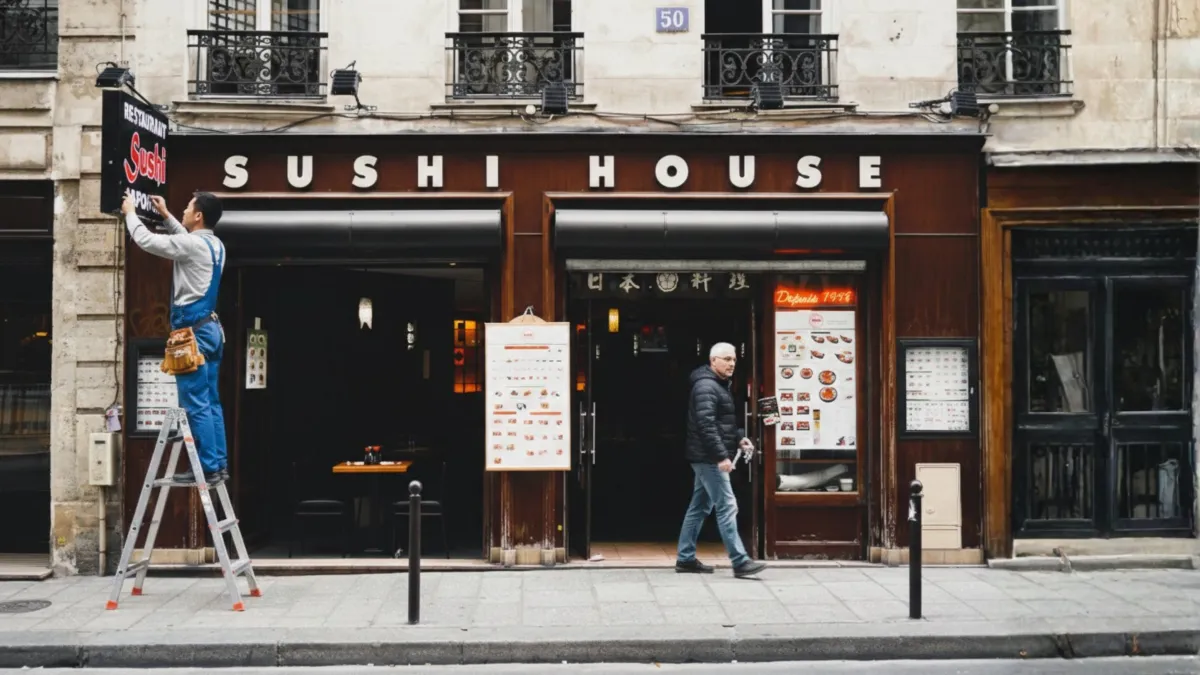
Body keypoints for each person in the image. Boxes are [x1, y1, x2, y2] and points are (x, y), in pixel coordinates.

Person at [121, 190, 228, 486]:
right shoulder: (214, 244)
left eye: (187, 207)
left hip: (191, 331)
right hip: (211, 330)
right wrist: (167, 216)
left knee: (195, 402)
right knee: (211, 401)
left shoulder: (193, 244)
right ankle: (218, 465)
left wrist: (131, 212)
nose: (183, 210)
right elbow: (186, 242)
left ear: (198, 216)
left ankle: (206, 469)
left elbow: (147, 241)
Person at [676, 342, 766, 578]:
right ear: (713, 360)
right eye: (726, 359)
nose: (732, 364)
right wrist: (721, 457)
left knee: (699, 507)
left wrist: (738, 438)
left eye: (734, 359)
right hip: (708, 458)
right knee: (727, 505)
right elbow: (706, 425)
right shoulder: (707, 386)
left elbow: (720, 422)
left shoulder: (717, 385)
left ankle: (685, 558)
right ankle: (740, 561)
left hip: (706, 456)